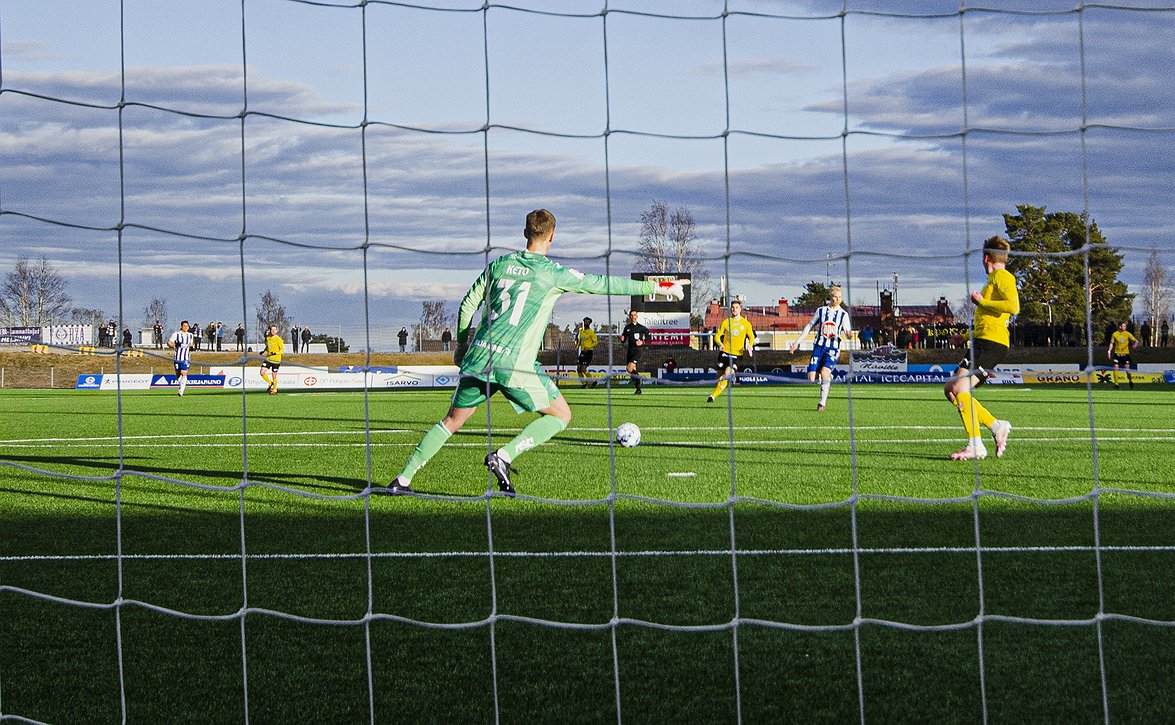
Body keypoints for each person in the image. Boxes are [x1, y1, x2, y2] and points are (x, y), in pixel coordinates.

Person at [386, 208, 686, 496]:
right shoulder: (551, 273)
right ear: (552, 236)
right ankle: (504, 456)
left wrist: (462, 347)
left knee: (451, 421)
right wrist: (661, 286)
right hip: (514, 363)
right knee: (561, 415)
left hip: (479, 357)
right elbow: (603, 284)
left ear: (524, 232)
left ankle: (402, 478)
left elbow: (467, 305)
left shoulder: (499, 264)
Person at [943, 236, 1019, 460]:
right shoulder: (993, 280)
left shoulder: (1002, 276)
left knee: (960, 389)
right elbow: (988, 319)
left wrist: (982, 302)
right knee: (951, 389)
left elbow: (1014, 306)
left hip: (993, 344)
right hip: (983, 341)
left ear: (986, 258)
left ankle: (975, 445)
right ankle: (996, 427)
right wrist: (964, 335)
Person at [789, 286, 851, 412]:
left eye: (840, 297)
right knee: (812, 378)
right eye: (835, 297)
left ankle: (822, 403)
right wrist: (797, 342)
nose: (837, 299)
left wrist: (848, 335)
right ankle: (829, 379)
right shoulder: (821, 311)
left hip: (833, 348)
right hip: (819, 347)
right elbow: (809, 326)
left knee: (824, 373)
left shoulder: (843, 315)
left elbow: (847, 331)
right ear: (830, 297)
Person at [708, 299, 756, 403]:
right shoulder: (726, 322)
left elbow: (751, 337)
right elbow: (717, 336)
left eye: (736, 307)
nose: (734, 309)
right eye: (733, 308)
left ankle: (712, 397)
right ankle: (714, 394)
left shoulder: (746, 324)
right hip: (724, 353)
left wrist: (749, 346)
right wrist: (720, 344)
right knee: (719, 377)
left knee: (727, 375)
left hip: (737, 355)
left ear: (740, 309)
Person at [619, 309, 650, 394]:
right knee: (632, 370)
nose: (633, 317)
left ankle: (639, 379)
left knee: (629, 368)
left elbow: (648, 335)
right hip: (630, 351)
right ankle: (638, 388)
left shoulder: (641, 327)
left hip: (638, 350)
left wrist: (642, 342)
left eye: (634, 315)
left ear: (637, 316)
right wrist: (621, 339)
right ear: (630, 317)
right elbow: (623, 339)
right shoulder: (627, 327)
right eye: (631, 315)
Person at [1107, 321, 1138, 389]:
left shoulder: (1127, 333)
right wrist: (1109, 351)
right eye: (1123, 326)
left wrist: (1135, 344)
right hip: (1117, 354)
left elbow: (1136, 340)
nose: (1125, 327)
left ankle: (1130, 381)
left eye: (1125, 326)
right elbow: (1111, 343)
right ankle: (1116, 384)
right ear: (1120, 326)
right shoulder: (1115, 334)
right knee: (1115, 369)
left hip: (1125, 354)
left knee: (1127, 370)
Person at [167, 320, 194, 397]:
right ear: (181, 326)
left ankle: (181, 391)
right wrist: (174, 345)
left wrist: (191, 348)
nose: (186, 327)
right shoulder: (176, 334)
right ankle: (181, 383)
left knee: (184, 373)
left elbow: (191, 344)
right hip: (177, 358)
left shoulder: (190, 335)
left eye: (187, 326)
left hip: (186, 358)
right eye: (184, 326)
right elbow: (169, 343)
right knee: (179, 376)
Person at [260, 324, 284, 394]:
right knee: (262, 372)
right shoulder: (268, 338)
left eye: (274, 330)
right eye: (271, 329)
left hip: (276, 360)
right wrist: (264, 351)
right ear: (270, 330)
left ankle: (275, 389)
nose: (273, 331)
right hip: (268, 358)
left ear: (276, 331)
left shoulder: (278, 339)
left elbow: (282, 350)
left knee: (274, 375)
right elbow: (268, 346)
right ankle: (270, 383)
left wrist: (275, 353)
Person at [575, 316, 598, 387]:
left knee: (583, 369)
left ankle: (593, 381)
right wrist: (577, 346)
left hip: (588, 352)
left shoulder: (591, 332)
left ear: (590, 323)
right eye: (585, 321)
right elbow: (580, 341)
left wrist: (589, 347)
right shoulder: (582, 332)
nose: (586, 323)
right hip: (582, 352)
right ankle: (584, 383)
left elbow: (595, 342)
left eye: (588, 322)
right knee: (579, 369)